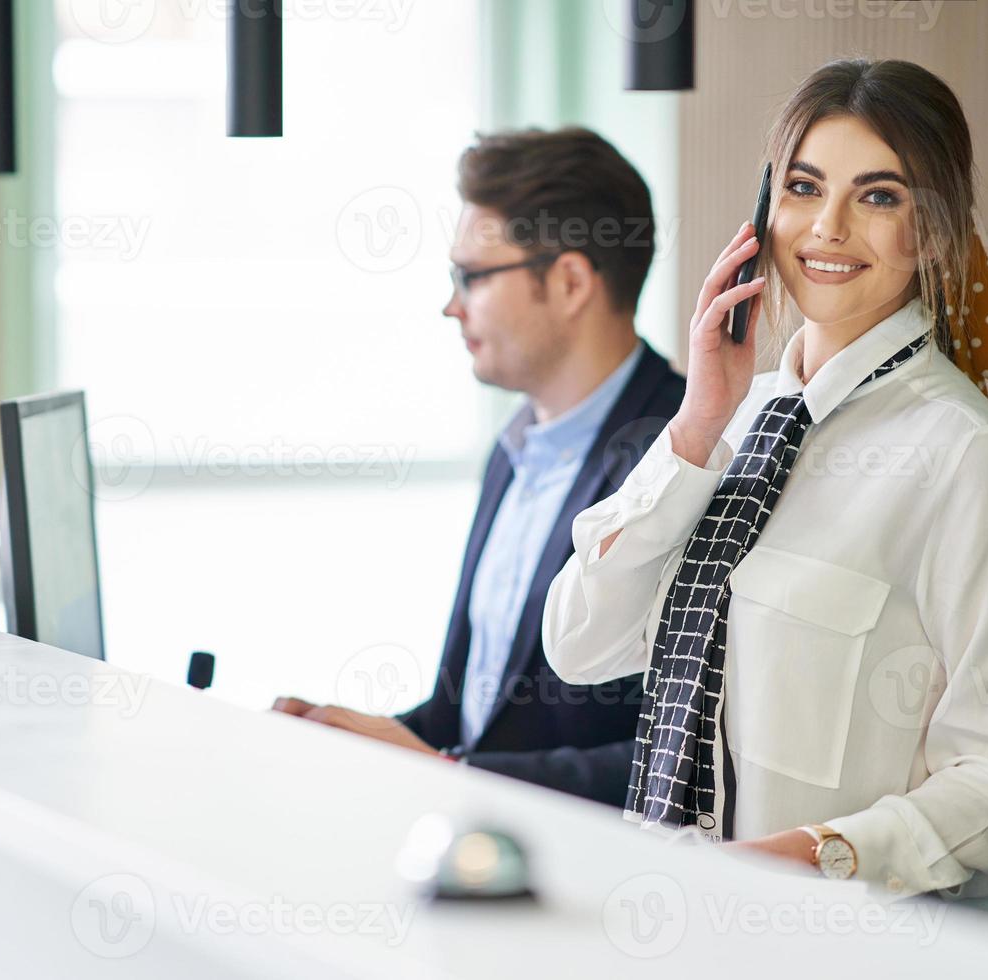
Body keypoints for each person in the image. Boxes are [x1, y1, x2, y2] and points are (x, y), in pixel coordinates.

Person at [542, 59, 988, 912]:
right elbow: (580, 644)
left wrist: (808, 859)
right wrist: (696, 423)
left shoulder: (965, 455)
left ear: (932, 233)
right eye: (803, 187)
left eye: (877, 196)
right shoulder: (735, 422)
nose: (826, 227)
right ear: (762, 212)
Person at [272, 128, 685, 806]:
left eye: (471, 276)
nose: (450, 304)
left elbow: (683, 753)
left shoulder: (682, 457)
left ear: (570, 281)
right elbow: (462, 722)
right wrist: (341, 734)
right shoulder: (511, 452)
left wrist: (450, 773)